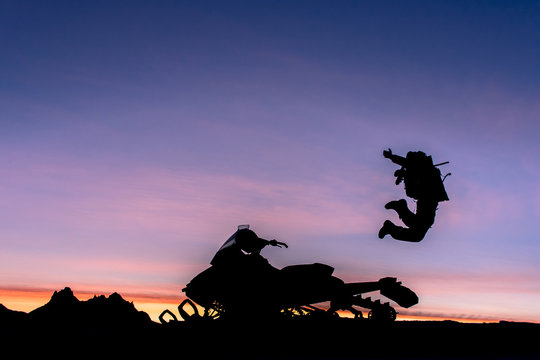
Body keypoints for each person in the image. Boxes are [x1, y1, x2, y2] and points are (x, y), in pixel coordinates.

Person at [378, 149, 449, 242]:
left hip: (427, 200)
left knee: (417, 230)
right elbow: (408, 164)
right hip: (427, 201)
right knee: (417, 233)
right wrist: (402, 171)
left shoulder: (423, 167)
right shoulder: (425, 168)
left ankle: (399, 211)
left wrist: (392, 157)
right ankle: (398, 213)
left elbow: (407, 163)